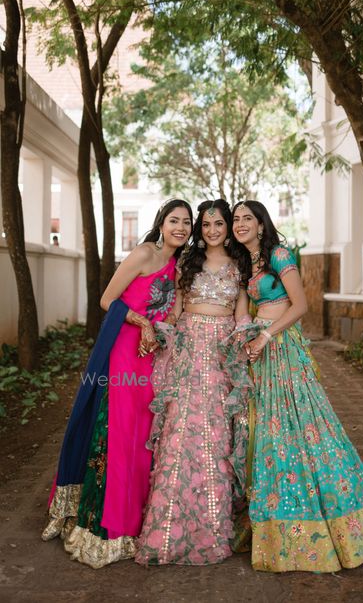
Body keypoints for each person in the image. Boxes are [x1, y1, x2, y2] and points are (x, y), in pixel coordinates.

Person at [231, 200, 363, 573]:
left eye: (247, 219)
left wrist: (266, 337)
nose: (240, 224)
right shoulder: (246, 264)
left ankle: (341, 521)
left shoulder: (278, 254)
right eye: (236, 219)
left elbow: (301, 305)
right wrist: (245, 336)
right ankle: (278, 521)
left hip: (282, 347)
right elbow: (244, 307)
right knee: (271, 430)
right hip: (261, 350)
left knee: (306, 424)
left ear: (261, 224)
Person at [41, 199, 193, 568]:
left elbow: (173, 311)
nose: (181, 227)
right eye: (174, 220)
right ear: (161, 222)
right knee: (119, 432)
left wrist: (160, 329)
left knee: (145, 434)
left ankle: (136, 522)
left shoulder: (178, 267)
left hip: (153, 356)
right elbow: (108, 299)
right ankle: (107, 523)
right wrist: (142, 324)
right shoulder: (143, 254)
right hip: (124, 351)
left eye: (187, 222)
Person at [135, 199, 251, 566]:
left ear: (227, 225)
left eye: (219, 224)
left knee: (217, 433)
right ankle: (167, 527)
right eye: (206, 225)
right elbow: (176, 309)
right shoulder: (188, 262)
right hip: (187, 347)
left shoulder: (239, 263)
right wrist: (157, 332)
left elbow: (243, 312)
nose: (213, 230)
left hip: (221, 350)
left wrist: (248, 340)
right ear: (200, 229)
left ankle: (214, 524)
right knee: (181, 430)